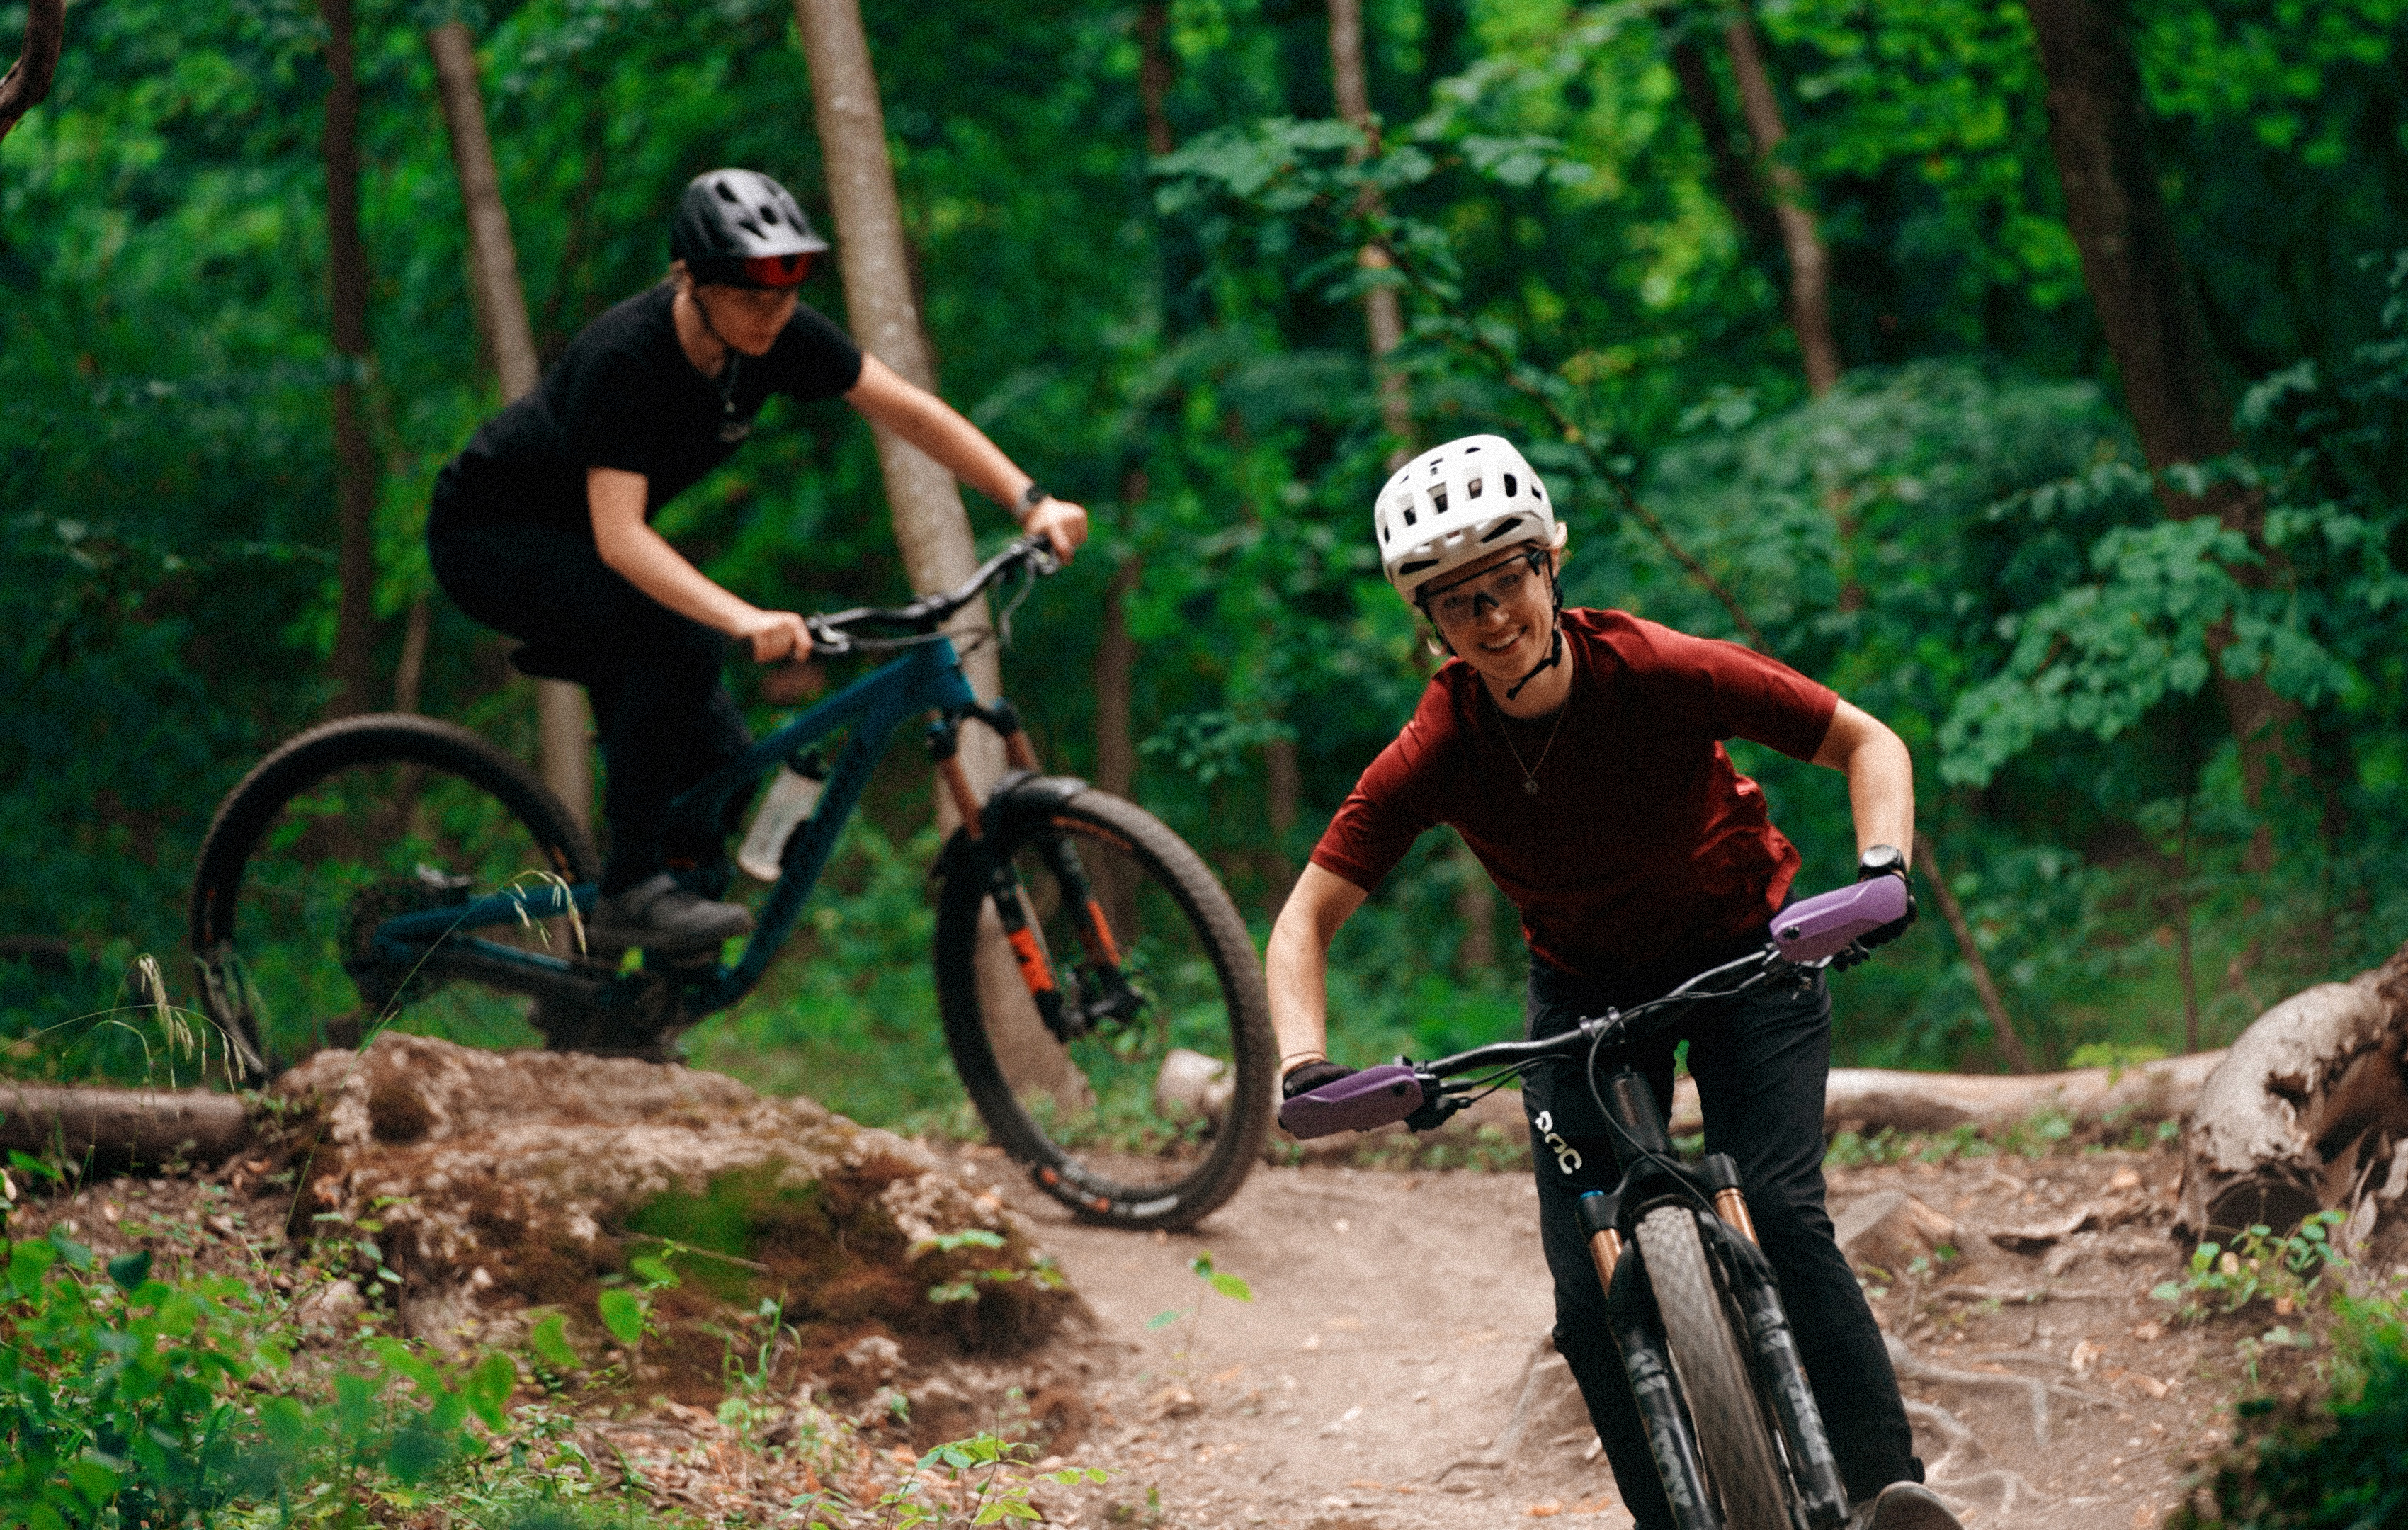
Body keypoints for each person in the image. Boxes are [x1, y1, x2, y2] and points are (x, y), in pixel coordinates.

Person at [1266, 435, 1959, 1530]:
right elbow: (1305, 919)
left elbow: (1867, 744)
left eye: (1507, 580)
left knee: (1781, 1215)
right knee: (1590, 1307)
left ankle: (1882, 1490)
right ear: (1429, 623)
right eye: (1456, 602)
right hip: (1581, 997)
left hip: (1748, 959)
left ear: (1551, 564)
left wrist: (1882, 871)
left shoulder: (1659, 669)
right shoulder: (1440, 745)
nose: (1491, 616)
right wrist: (1305, 1064)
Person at [428, 168, 1085, 956]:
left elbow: (909, 411)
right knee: (676, 641)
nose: (772, 315)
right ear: (689, 279)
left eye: (785, 296)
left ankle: (622, 985)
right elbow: (620, 538)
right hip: (490, 535)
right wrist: (744, 619)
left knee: (724, 763)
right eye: (749, 298)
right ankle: (632, 890)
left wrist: (1029, 500)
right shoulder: (626, 356)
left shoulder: (775, 337)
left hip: (584, 545)